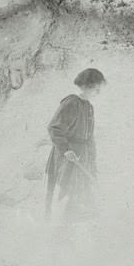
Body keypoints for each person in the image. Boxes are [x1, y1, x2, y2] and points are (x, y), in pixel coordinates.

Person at [44, 68, 106, 220]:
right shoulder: (71, 102)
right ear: (87, 86)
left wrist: (92, 162)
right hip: (67, 157)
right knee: (66, 194)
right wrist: (65, 149)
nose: (98, 93)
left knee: (84, 196)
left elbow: (90, 138)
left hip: (82, 157)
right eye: (97, 89)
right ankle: (60, 229)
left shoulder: (89, 107)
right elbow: (54, 128)